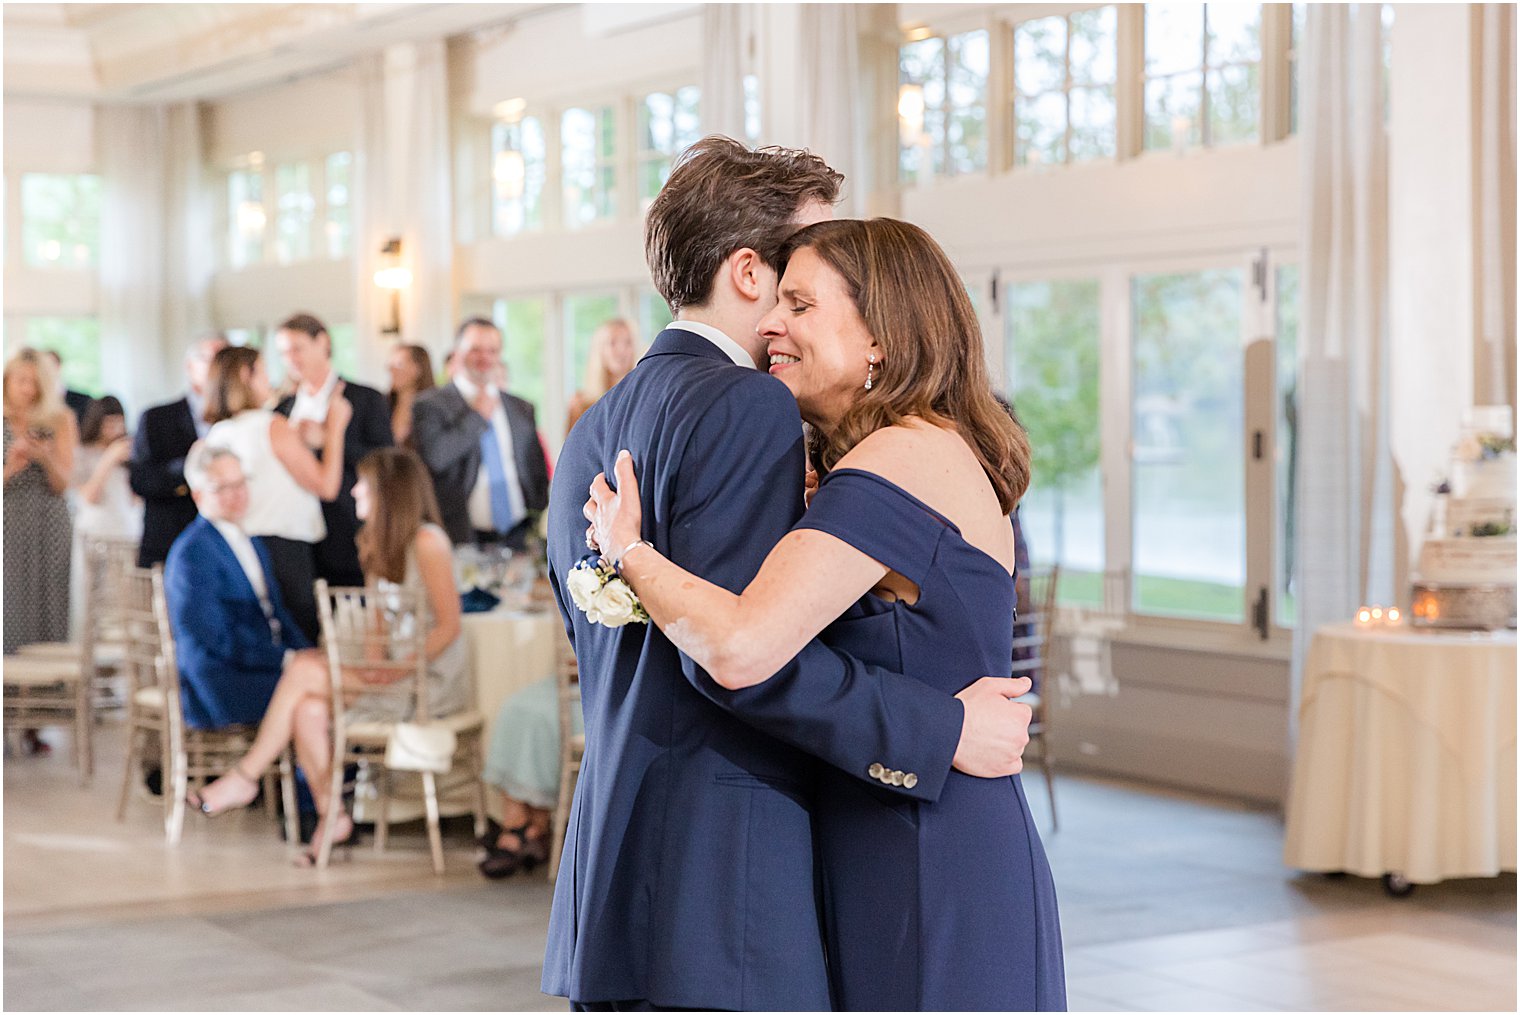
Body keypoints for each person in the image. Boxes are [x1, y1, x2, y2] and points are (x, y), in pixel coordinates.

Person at [541, 136, 1035, 1012]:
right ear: (745, 271)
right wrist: (937, 728)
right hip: (730, 883)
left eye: (810, 301)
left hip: (621, 875)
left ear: (882, 336)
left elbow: (710, 647)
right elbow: (733, 657)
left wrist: (633, 558)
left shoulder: (594, 424)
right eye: (790, 288)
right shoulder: (751, 407)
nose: (780, 322)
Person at [190, 447, 470, 865]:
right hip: (394, 673)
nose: (354, 490)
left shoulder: (429, 542)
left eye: (364, 484)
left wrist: (392, 670)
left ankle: (244, 777)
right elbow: (377, 635)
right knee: (307, 711)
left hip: (428, 681)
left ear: (387, 491)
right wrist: (372, 667)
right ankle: (332, 817)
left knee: (304, 668)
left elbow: (449, 627)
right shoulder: (377, 543)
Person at [203, 345, 351, 644]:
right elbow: (326, 486)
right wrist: (336, 428)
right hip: (285, 552)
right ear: (247, 375)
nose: (270, 381)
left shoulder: (217, 433)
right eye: (264, 371)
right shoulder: (271, 426)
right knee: (301, 641)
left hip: (242, 551)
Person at [164, 444, 311, 732]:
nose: (238, 494)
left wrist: (304, 653)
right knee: (317, 693)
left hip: (261, 665)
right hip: (223, 680)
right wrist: (286, 660)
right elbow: (214, 639)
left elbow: (276, 611)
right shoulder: (192, 553)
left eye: (242, 483)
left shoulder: (251, 539)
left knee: (314, 704)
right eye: (224, 488)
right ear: (198, 495)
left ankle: (302, 778)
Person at [273, 313, 395, 588]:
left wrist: (328, 439)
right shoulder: (281, 410)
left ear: (323, 342)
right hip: (297, 535)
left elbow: (387, 463)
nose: (291, 359)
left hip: (350, 529)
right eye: (283, 353)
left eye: (297, 349)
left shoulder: (365, 399)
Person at [411, 319, 550, 551]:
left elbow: (534, 466)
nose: (484, 357)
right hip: (461, 535)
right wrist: (476, 417)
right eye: (475, 349)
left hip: (518, 534)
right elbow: (435, 458)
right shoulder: (430, 405)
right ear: (457, 352)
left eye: (492, 350)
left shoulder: (520, 407)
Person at [4, 348, 77, 664]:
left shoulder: (60, 419)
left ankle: (50, 679)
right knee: (10, 597)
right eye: (21, 381)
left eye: (35, 383)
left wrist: (44, 457)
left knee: (51, 596)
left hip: (49, 520)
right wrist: (11, 468)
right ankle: (9, 677)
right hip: (8, 520)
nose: (27, 390)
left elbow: (63, 485)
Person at [130, 333, 229, 567]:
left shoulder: (240, 420)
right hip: (172, 545)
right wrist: (193, 464)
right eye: (209, 360)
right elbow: (142, 481)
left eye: (224, 361)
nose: (218, 369)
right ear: (190, 366)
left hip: (228, 549)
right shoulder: (157, 418)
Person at [475, 676, 582, 878]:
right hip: (574, 677)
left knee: (541, 718)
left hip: (608, 684)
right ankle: (528, 824)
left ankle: (523, 828)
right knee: (515, 707)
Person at [69, 396, 143, 633]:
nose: (114, 430)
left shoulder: (129, 455)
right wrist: (108, 458)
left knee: (129, 603)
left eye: (118, 423)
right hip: (96, 535)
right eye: (108, 424)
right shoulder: (83, 453)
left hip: (127, 533)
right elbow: (88, 496)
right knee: (96, 600)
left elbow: (136, 498)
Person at [565, 318, 638, 433]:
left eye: (628, 342)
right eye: (612, 343)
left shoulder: (640, 398)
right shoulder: (579, 404)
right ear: (599, 349)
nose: (621, 350)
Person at [387, 343, 437, 448]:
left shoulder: (434, 408)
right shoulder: (382, 404)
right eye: (392, 365)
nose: (391, 370)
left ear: (418, 369)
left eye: (399, 364)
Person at [42, 349, 92, 426]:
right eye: (43, 367)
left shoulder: (84, 401)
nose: (48, 371)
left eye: (51, 364)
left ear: (59, 366)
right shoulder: (32, 405)